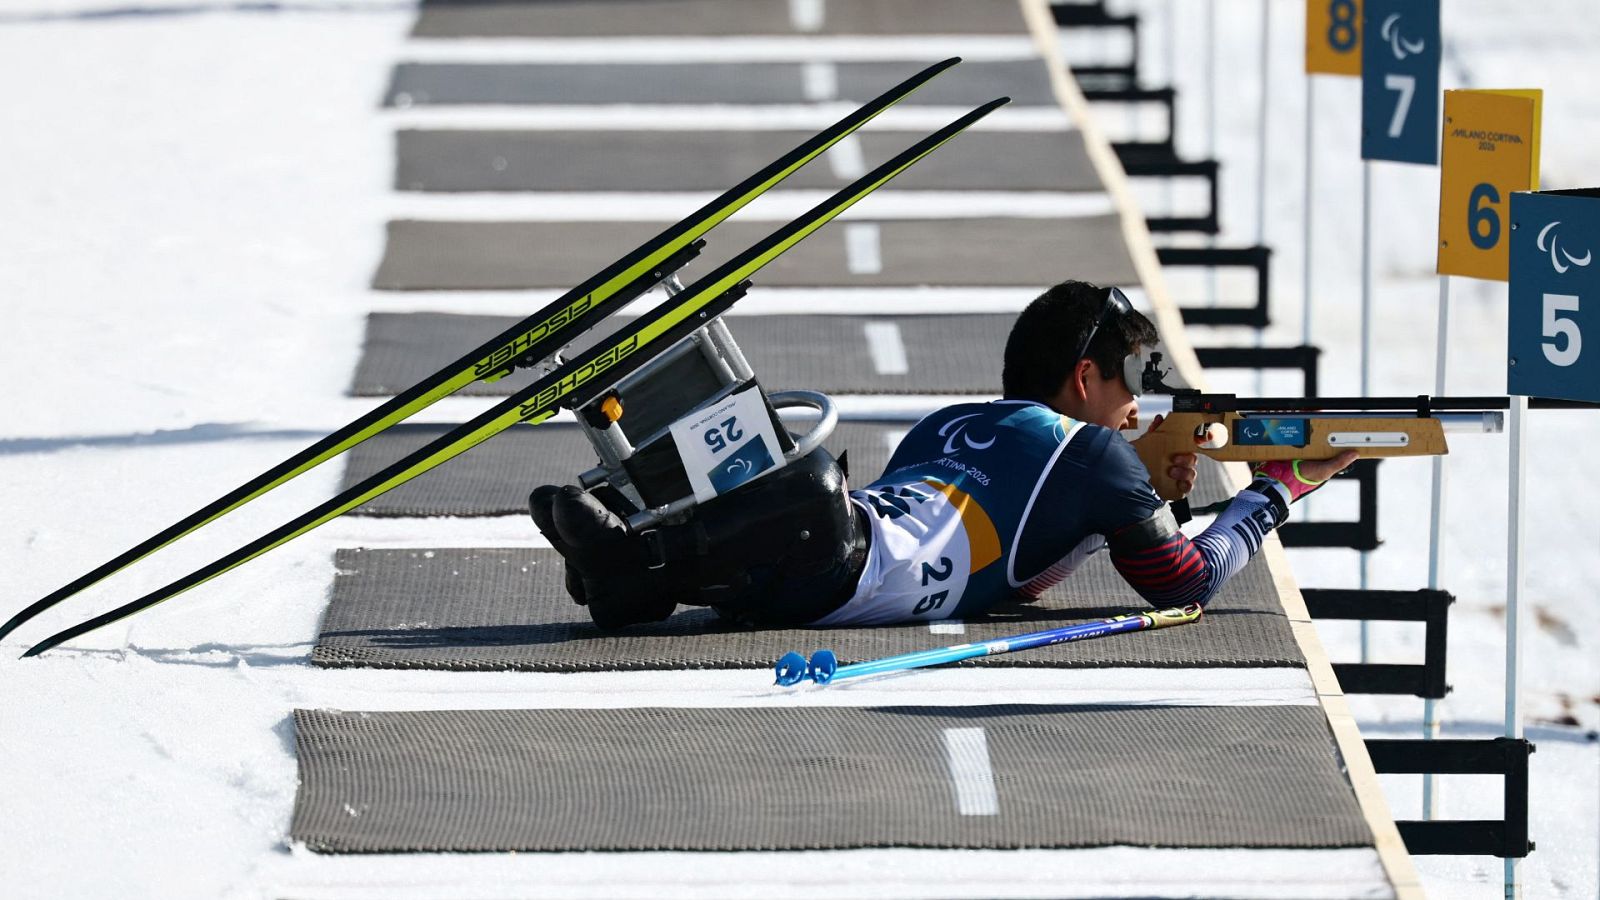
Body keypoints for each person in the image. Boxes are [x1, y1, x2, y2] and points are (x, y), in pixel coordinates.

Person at [530, 280, 1358, 629]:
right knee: (795, 473)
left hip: (838, 570)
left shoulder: (962, 423)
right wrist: (1279, 490)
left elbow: (1169, 572)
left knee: (812, 485)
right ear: (1085, 375)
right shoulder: (1090, 457)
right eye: (1138, 374)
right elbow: (1186, 580)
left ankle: (629, 558)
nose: (1145, 398)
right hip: (837, 559)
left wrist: (1195, 493)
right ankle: (632, 568)